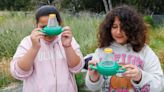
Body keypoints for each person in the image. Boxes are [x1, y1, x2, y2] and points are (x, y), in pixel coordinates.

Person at [85, 5, 164, 92]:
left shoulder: (145, 51)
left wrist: (140, 76)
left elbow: (159, 86)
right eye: (114, 27)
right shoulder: (101, 51)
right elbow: (92, 88)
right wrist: (93, 77)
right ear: (108, 28)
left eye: (124, 27)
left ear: (133, 29)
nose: (118, 32)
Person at [10, 5, 84, 92]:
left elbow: (77, 68)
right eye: (43, 27)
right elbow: (18, 72)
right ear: (37, 25)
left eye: (52, 26)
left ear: (60, 24)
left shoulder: (67, 39)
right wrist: (34, 48)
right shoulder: (28, 42)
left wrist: (68, 46)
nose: (49, 31)